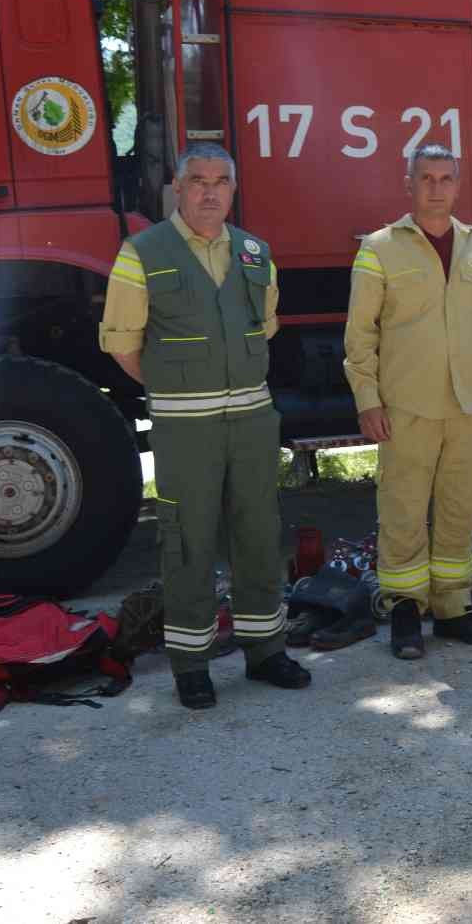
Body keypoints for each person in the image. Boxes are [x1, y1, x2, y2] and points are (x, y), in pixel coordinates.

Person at [99, 142, 310, 710]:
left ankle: (266, 650)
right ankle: (191, 664)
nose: (210, 191)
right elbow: (122, 344)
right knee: (188, 540)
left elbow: (263, 327)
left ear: (233, 190)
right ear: (177, 187)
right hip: (184, 425)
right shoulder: (142, 252)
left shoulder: (254, 253)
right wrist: (176, 385)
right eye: (197, 180)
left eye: (221, 181)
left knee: (258, 534)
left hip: (250, 420)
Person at [344, 144, 472, 660]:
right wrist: (368, 399)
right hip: (406, 403)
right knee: (403, 509)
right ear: (408, 184)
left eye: (445, 178)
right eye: (426, 178)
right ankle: (406, 612)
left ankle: (454, 607)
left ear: (457, 185)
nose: (436, 187)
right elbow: (360, 333)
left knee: (460, 506)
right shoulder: (380, 248)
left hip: (463, 403)